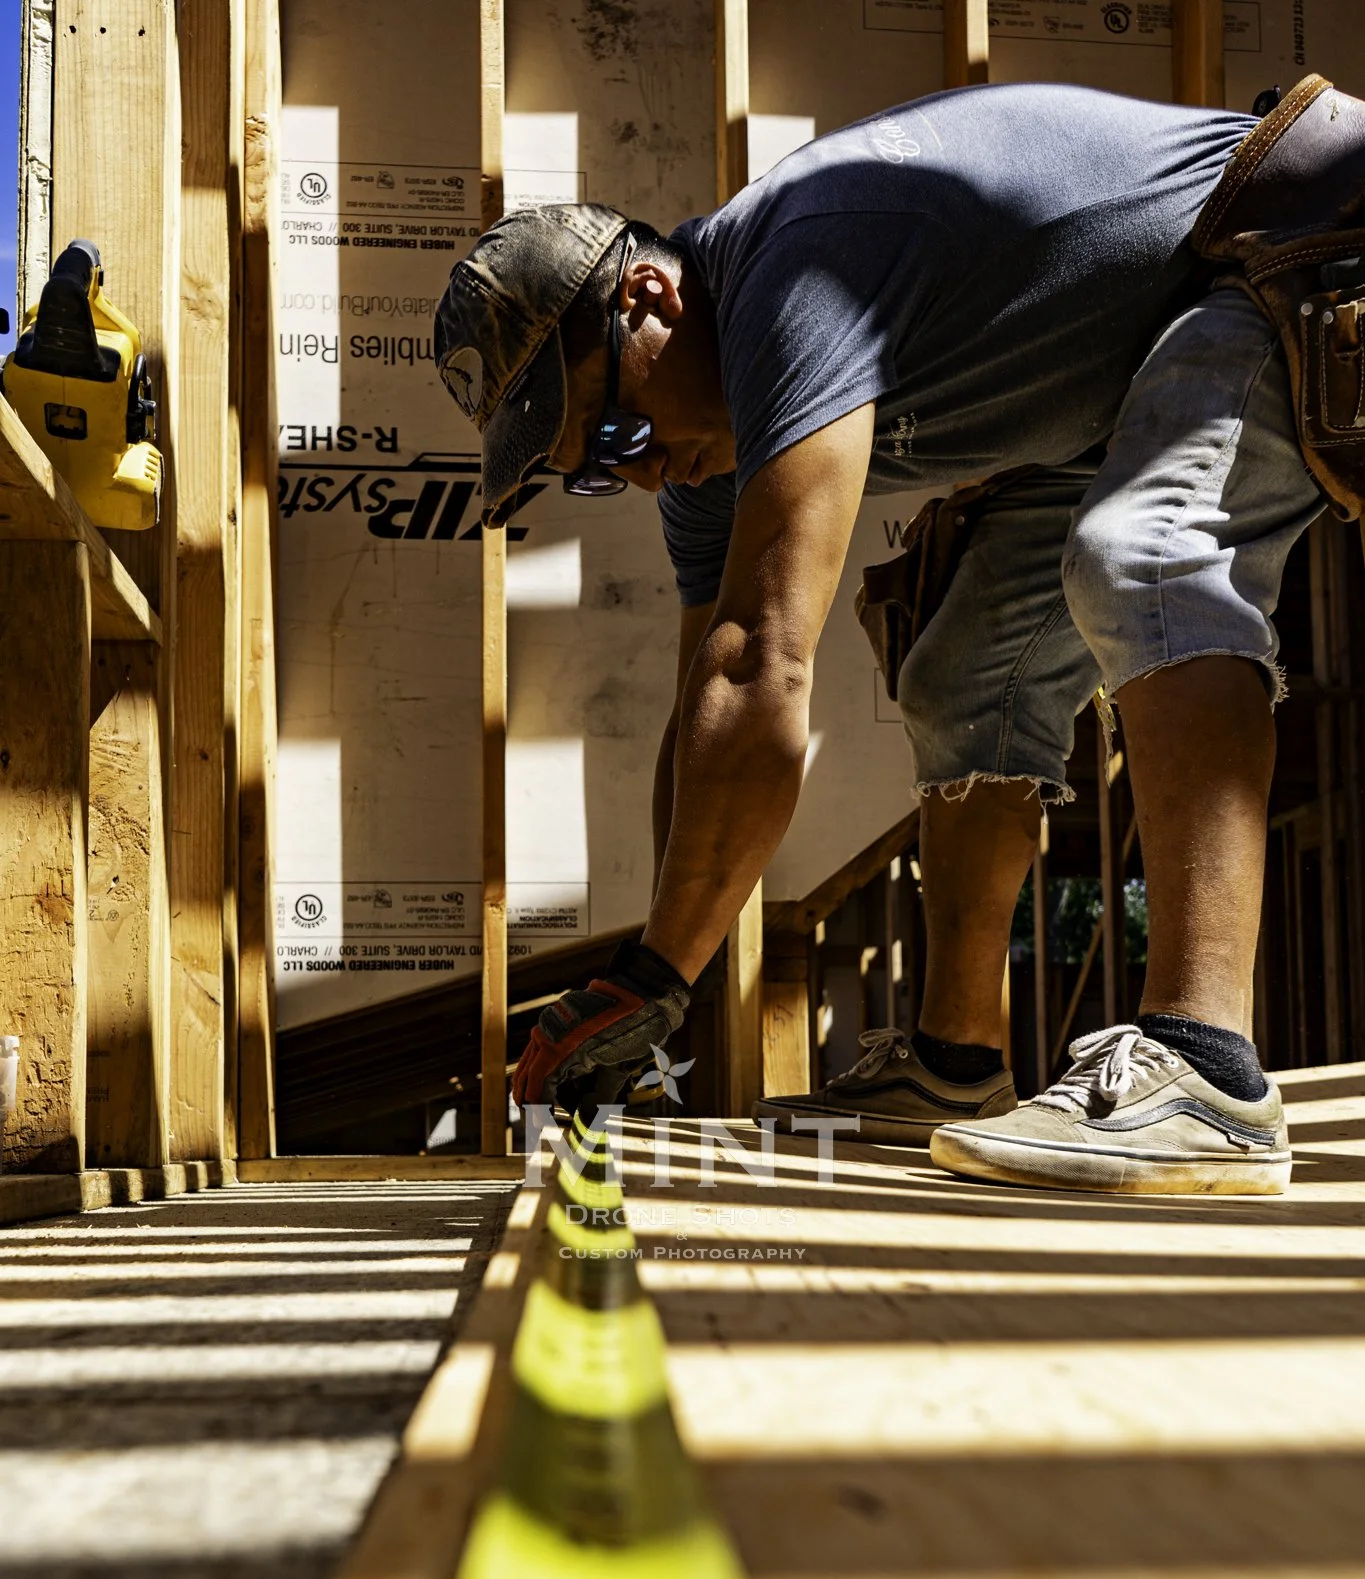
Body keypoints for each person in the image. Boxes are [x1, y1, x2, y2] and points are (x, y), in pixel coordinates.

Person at [434, 80, 1333, 1196]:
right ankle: (958, 1063)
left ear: (651, 298)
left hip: (1288, 249)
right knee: (963, 673)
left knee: (1142, 553)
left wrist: (657, 973)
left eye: (618, 426)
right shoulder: (703, 457)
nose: (636, 469)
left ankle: (1209, 1074)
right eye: (593, 466)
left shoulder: (792, 274)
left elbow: (771, 664)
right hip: (1136, 363)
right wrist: (649, 975)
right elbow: (712, 711)